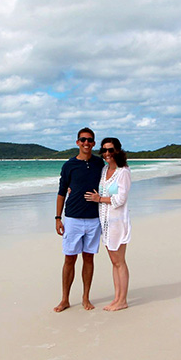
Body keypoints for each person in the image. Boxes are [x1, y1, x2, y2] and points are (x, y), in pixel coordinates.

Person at [54, 127, 105, 312]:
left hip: (93, 219)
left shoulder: (100, 164)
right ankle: (65, 299)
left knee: (89, 259)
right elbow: (61, 192)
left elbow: (111, 183)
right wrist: (58, 218)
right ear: (77, 142)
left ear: (93, 143)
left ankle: (86, 298)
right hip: (73, 218)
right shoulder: (69, 165)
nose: (86, 143)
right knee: (69, 259)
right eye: (83, 139)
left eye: (90, 140)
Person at [84, 137, 131, 311]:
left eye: (111, 150)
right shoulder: (104, 170)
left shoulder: (123, 171)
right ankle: (117, 298)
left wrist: (100, 199)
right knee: (114, 261)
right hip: (105, 222)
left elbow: (120, 199)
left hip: (118, 222)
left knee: (120, 261)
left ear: (118, 150)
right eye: (104, 150)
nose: (107, 154)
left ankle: (123, 300)